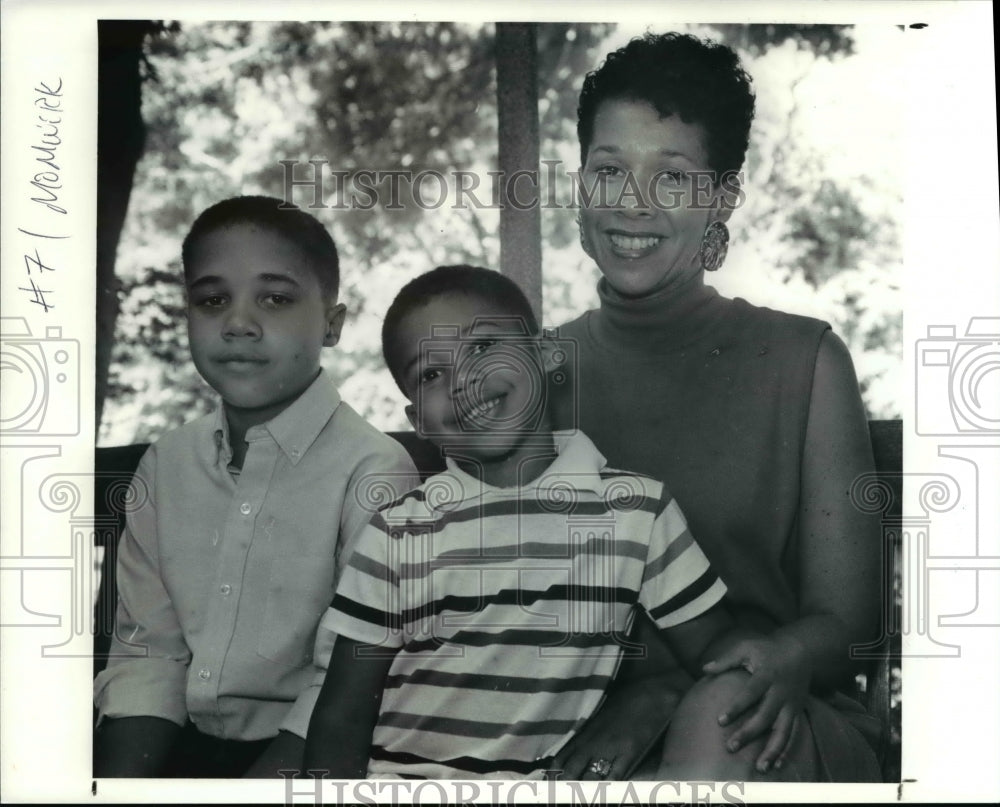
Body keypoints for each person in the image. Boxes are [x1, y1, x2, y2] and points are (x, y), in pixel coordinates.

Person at [303, 265, 810, 780]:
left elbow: (713, 652)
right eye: (431, 374)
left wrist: (767, 663)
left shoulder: (635, 510)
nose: (463, 382)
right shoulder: (398, 532)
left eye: (482, 348)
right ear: (419, 421)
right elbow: (343, 712)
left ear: (546, 354)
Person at [549, 33, 883, 780]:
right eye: (609, 170)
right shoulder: (533, 375)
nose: (632, 202)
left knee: (717, 715)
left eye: (672, 178)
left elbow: (846, 623)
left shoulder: (806, 362)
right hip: (578, 730)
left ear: (721, 198)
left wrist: (681, 687)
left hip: (772, 713)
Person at [93, 196, 419, 777]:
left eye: (275, 298)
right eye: (213, 299)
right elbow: (150, 658)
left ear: (332, 324)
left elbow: (349, 691)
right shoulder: (166, 466)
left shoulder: (374, 473)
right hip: (177, 749)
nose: (239, 323)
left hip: (315, 757)